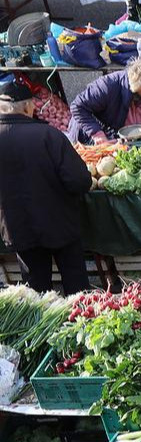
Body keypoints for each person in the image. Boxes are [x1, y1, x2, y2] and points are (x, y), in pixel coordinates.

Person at [0, 79, 93, 295]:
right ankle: (81, 324)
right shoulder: (49, 135)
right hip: (60, 224)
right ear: (27, 106)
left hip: (18, 229)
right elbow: (79, 180)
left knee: (36, 291)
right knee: (77, 288)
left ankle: (45, 327)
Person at [68, 61, 141, 145]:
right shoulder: (107, 86)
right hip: (88, 135)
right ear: (139, 86)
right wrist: (97, 134)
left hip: (124, 138)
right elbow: (77, 106)